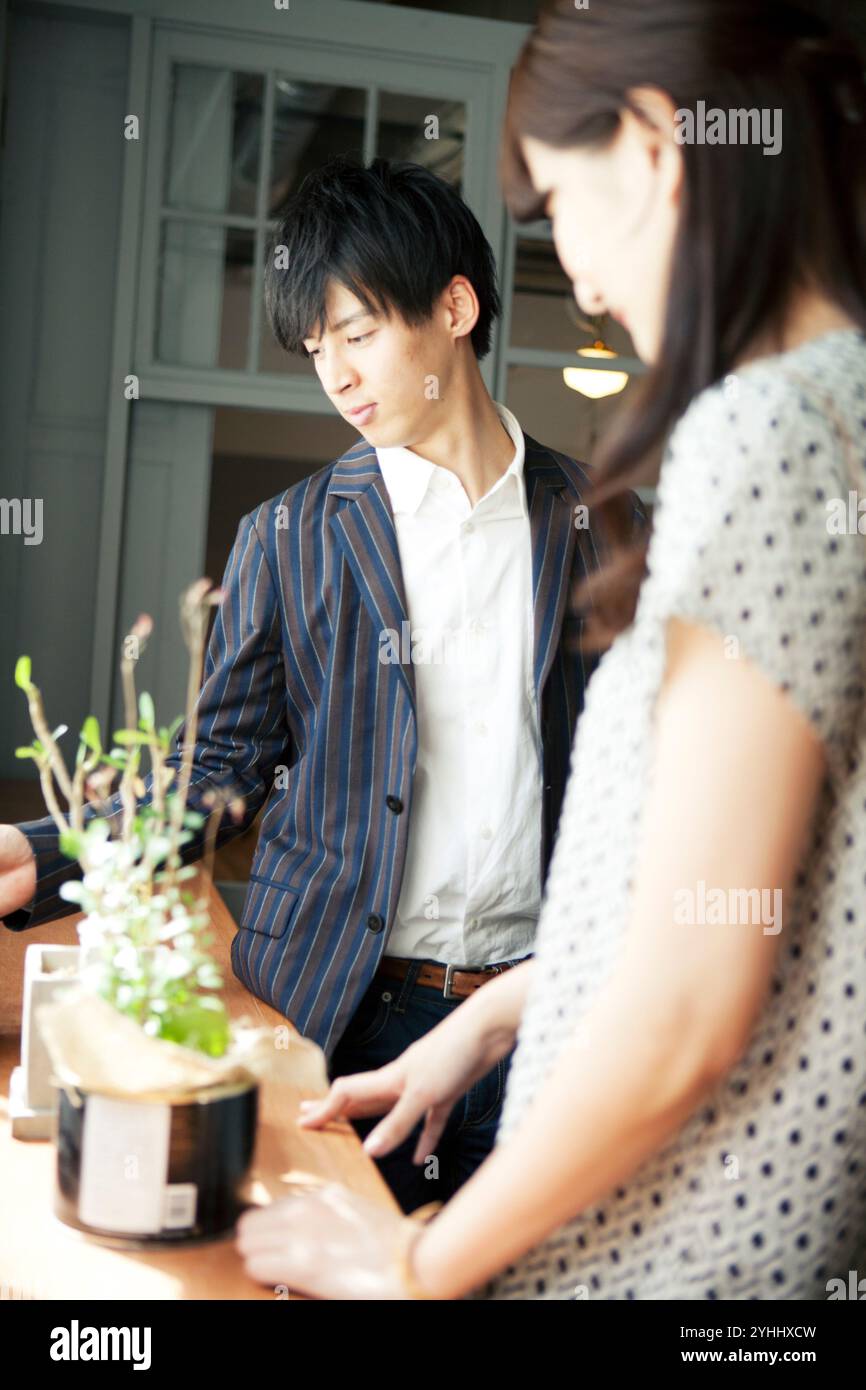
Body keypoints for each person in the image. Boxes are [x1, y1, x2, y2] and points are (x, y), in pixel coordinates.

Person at [235, 0, 866, 1300]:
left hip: (672, 1226)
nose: (574, 276)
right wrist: (488, 1018)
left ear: (648, 145)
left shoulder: (761, 435)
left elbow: (693, 992)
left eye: (561, 206)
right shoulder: (835, 411)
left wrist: (417, 1262)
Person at [0, 155, 641, 1215]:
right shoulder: (291, 537)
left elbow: (642, 779)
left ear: (454, 305)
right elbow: (221, 771)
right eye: (314, 350)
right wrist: (47, 848)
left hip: (547, 1015)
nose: (336, 375)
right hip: (343, 1010)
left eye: (355, 333)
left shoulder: (599, 520)